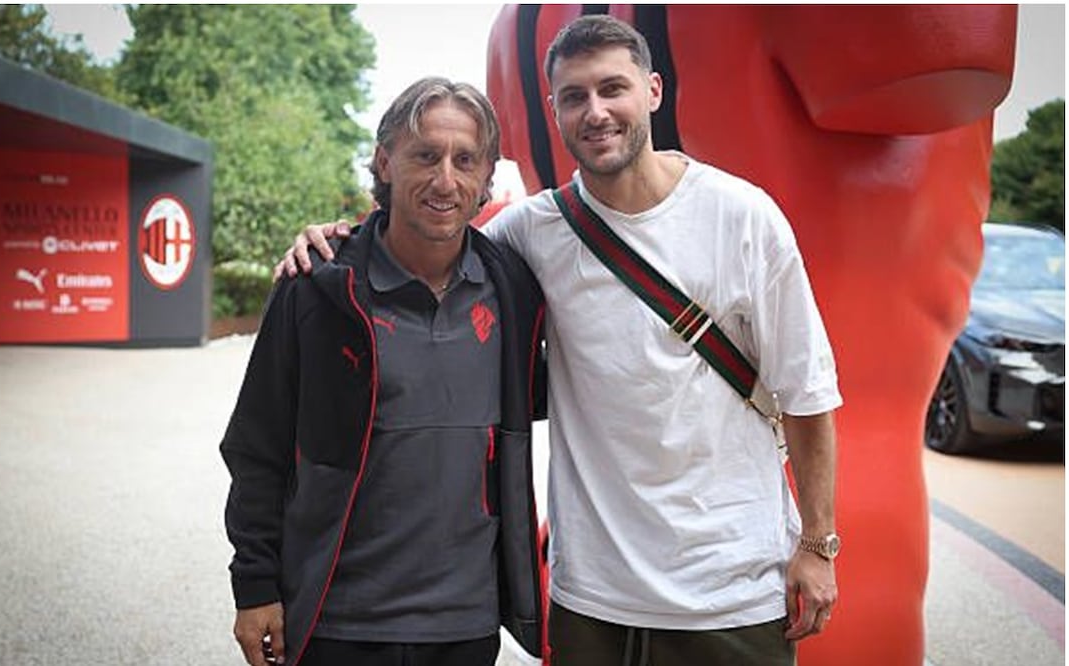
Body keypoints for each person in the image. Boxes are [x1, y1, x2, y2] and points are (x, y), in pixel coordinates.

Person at [276, 15, 841, 666]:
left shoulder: (742, 217)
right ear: (554, 111)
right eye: (575, 96)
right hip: (591, 599)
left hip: (732, 592)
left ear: (653, 91)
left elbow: (808, 394)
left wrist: (818, 545)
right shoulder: (531, 232)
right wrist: (337, 241)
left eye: (613, 88)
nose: (595, 112)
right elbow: (427, 236)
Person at [220, 77, 546, 666]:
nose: (445, 180)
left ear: (486, 177)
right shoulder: (317, 288)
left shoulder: (514, 290)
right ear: (384, 161)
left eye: (465, 160)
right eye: (425, 155)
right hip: (336, 623)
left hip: (466, 626)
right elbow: (257, 445)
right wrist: (255, 584)